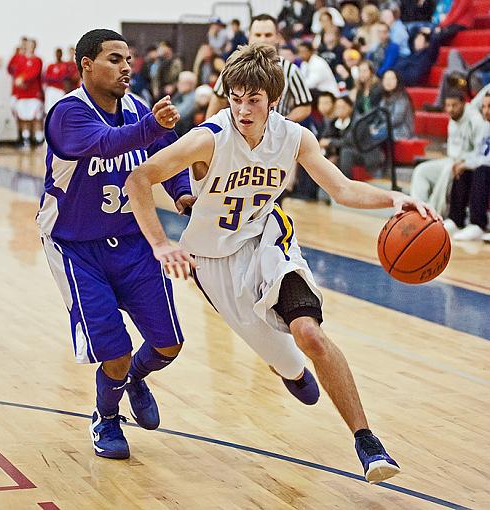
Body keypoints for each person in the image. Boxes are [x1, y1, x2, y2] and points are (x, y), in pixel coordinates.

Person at [125, 43, 438, 483]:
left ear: (274, 101)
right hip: (214, 261)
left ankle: (368, 442)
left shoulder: (294, 137)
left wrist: (395, 199)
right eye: (235, 98)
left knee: (309, 333)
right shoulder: (207, 139)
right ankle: (280, 370)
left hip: (269, 237)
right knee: (290, 363)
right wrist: (160, 244)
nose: (242, 110)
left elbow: (343, 189)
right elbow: (139, 178)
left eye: (253, 100)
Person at [36, 29, 194, 460]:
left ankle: (133, 380)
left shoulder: (139, 110)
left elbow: (170, 153)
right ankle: (106, 416)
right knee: (116, 351)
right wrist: (151, 127)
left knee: (168, 344)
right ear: (86, 64)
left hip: (131, 239)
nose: (126, 66)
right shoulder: (67, 114)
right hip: (75, 245)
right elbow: (107, 144)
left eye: (128, 59)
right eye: (113, 59)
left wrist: (181, 190)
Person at [206, 14, 312, 123]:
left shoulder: (290, 70)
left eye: (268, 35)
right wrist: (208, 128)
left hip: (275, 138)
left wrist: (280, 125)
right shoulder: (233, 67)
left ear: (277, 37)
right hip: (239, 133)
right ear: (249, 37)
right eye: (258, 35)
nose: (262, 39)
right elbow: (218, 99)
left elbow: (305, 106)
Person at [410, 92, 480, 215]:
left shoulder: (475, 120)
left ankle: (432, 214)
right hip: (451, 160)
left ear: (463, 103)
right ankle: (416, 210)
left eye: (454, 105)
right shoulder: (453, 118)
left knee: (448, 170)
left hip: (469, 164)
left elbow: (480, 151)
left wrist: (465, 161)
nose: (450, 109)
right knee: (421, 170)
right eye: (447, 105)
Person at [444, 93, 490, 241]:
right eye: (483, 106)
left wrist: (469, 164)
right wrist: (464, 163)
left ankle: (478, 223)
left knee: (481, 170)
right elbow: (478, 153)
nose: (485, 111)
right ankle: (456, 220)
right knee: (462, 171)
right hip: (485, 166)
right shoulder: (485, 127)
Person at [43, 48, 69, 114]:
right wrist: (55, 79)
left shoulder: (64, 66)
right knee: (49, 111)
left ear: (61, 54)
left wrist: (53, 79)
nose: (58, 55)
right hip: (51, 90)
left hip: (60, 90)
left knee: (59, 111)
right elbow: (46, 78)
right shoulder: (51, 66)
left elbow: (63, 78)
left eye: (59, 53)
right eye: (57, 53)